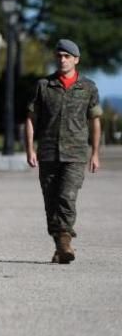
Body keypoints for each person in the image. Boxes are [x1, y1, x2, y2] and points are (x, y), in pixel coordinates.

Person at [24, 38, 102, 264]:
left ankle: (65, 240)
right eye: (59, 56)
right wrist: (30, 149)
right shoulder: (44, 86)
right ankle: (60, 244)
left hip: (76, 154)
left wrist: (95, 153)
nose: (62, 60)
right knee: (51, 202)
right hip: (47, 152)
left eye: (67, 56)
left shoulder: (88, 87)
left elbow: (95, 120)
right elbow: (30, 118)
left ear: (76, 59)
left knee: (67, 198)